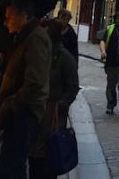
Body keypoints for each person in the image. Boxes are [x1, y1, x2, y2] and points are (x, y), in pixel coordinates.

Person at [0, 0, 51, 179]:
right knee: (12, 165)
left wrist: (11, 104)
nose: (5, 22)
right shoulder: (24, 36)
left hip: (23, 113)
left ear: (23, 15)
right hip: (19, 111)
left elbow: (35, 82)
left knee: (11, 166)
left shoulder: (35, 38)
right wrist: (4, 64)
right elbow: (20, 71)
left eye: (9, 17)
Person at [28, 19, 80, 179]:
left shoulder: (65, 58)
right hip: (35, 112)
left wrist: (61, 105)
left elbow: (73, 86)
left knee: (49, 154)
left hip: (52, 115)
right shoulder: (38, 54)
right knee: (34, 155)